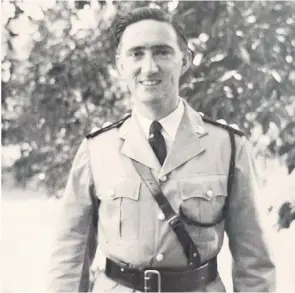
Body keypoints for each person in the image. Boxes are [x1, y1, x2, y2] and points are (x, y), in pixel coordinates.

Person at [47, 7, 276, 292]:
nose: (150, 67)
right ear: (120, 65)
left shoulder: (228, 146)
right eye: (136, 54)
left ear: (185, 60)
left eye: (163, 52)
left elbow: (254, 261)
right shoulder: (97, 149)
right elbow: (70, 254)